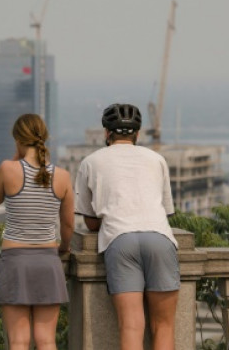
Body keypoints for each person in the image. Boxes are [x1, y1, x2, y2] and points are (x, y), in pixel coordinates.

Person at [73, 103, 179, 350]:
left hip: (119, 240)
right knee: (163, 326)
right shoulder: (156, 159)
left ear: (106, 133)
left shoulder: (90, 161)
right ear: (138, 134)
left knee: (131, 326)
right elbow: (166, 210)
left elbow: (90, 220)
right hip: (160, 239)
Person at [0, 113, 74, 350]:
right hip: (48, 261)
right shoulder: (63, 176)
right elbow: (68, 225)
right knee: (46, 339)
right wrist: (64, 248)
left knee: (18, 340)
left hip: (15, 261)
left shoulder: (8, 168)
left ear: (17, 139)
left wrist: (16, 159)